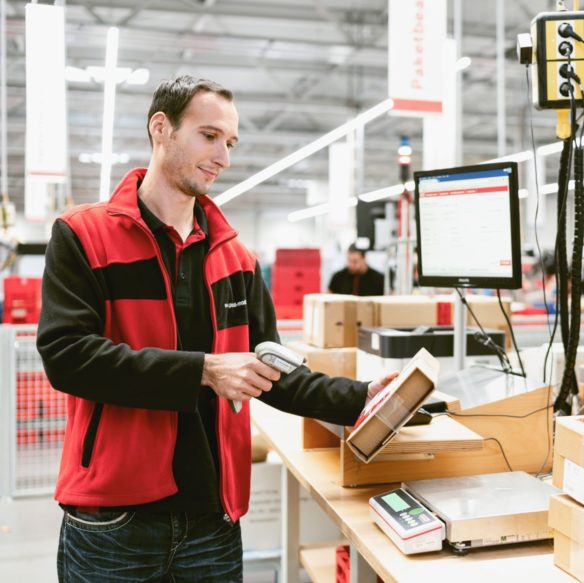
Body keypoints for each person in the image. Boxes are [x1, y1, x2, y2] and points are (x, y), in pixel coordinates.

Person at [36, 76, 397, 583]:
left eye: (229, 142)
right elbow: (67, 356)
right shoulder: (83, 235)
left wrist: (361, 399)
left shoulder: (235, 257)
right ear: (161, 129)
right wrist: (203, 371)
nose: (223, 157)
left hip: (213, 519)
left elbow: (269, 368)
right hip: (115, 520)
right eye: (209, 136)